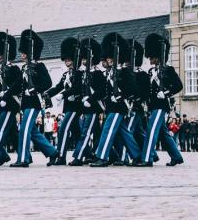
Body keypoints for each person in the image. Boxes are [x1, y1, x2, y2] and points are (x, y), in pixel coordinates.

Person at [90, 33, 141, 167]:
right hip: (112, 106)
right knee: (124, 132)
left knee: (107, 130)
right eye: (108, 58)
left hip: (119, 106)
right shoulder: (111, 72)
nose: (108, 60)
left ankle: (102, 157)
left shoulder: (124, 71)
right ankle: (137, 156)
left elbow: (133, 89)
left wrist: (120, 95)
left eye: (111, 57)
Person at [11, 28, 58, 168]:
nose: (22, 54)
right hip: (26, 103)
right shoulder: (25, 67)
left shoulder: (39, 66)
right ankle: (53, 152)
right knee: (32, 131)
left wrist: (34, 89)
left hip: (34, 101)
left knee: (24, 129)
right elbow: (18, 85)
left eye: (24, 52)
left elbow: (48, 83)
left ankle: (23, 158)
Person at [136, 33, 184, 167]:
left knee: (151, 130)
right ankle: (176, 156)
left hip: (162, 105)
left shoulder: (168, 70)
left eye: (152, 57)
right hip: (153, 105)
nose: (150, 60)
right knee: (163, 133)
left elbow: (179, 86)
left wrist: (167, 93)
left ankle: (147, 158)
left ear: (159, 57)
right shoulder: (151, 72)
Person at [45, 37, 82, 165]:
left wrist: (63, 94)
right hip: (68, 107)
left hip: (76, 106)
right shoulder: (66, 74)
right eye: (65, 59)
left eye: (69, 58)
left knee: (63, 129)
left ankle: (61, 156)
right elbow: (58, 86)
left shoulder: (79, 73)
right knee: (77, 133)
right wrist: (48, 93)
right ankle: (88, 153)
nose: (67, 61)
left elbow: (77, 88)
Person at [69, 38, 106, 166]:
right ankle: (111, 155)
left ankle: (78, 157)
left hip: (94, 107)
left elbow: (102, 91)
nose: (83, 61)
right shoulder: (83, 73)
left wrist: (90, 99)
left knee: (86, 133)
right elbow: (78, 88)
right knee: (96, 133)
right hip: (86, 107)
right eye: (83, 58)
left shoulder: (97, 73)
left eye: (86, 58)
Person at [0, 31, 22, 166]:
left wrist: (6, 94)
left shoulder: (14, 69)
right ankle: (25, 155)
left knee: (0, 131)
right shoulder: (0, 70)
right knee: (14, 134)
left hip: (10, 104)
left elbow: (18, 86)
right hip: (2, 105)